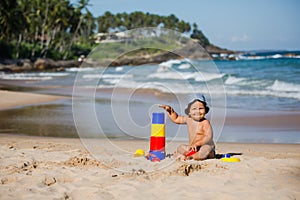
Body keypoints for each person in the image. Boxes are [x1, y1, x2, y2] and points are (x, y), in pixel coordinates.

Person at [159, 94, 215, 161]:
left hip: (205, 147)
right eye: (194, 109)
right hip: (193, 148)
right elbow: (176, 119)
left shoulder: (205, 122)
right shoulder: (188, 119)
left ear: (205, 110)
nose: (197, 111)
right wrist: (170, 111)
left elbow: (208, 137)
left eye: (201, 108)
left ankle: (189, 156)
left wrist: (197, 144)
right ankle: (186, 155)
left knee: (205, 150)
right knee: (181, 147)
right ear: (189, 112)